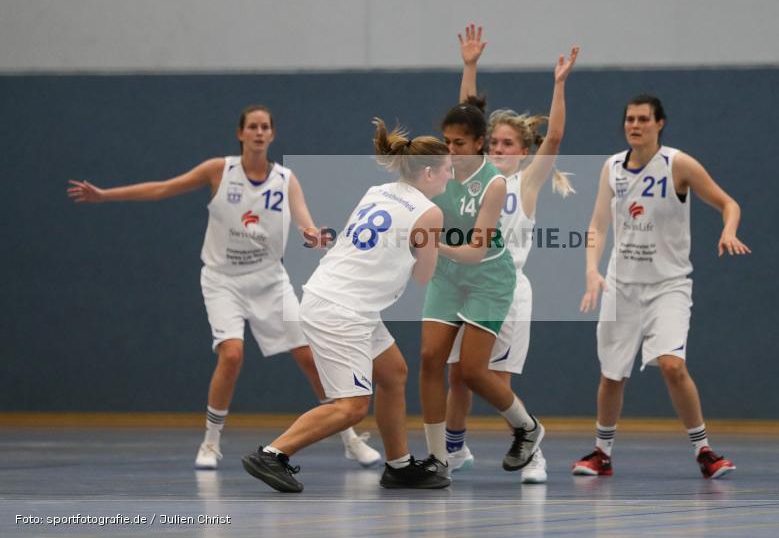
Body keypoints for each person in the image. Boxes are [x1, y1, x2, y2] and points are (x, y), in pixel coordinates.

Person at [67, 105, 381, 470]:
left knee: (310, 358)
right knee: (231, 355)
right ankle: (211, 442)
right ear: (241, 133)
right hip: (223, 280)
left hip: (269, 279)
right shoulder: (219, 170)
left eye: (265, 127)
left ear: (272, 134)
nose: (259, 132)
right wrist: (107, 195)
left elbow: (305, 226)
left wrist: (314, 237)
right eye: (253, 126)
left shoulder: (286, 179)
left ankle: (349, 439)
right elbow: (164, 188)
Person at [241, 119, 452, 492]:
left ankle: (399, 465)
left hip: (343, 299)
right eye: (449, 170)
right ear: (430, 172)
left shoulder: (379, 190)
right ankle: (273, 454)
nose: (450, 178)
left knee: (393, 373)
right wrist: (441, 249)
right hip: (342, 309)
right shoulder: (430, 213)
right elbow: (424, 276)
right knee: (352, 406)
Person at [576, 94, 749, 479]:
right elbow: (597, 226)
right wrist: (592, 269)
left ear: (659, 124)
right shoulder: (611, 168)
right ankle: (601, 453)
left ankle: (704, 450)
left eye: (642, 119)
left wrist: (729, 229)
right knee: (611, 374)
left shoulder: (678, 164)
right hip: (621, 286)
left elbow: (728, 203)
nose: (634, 125)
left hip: (668, 286)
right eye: (629, 119)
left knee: (672, 366)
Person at [443, 25, 579, 484]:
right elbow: (465, 119)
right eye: (494, 142)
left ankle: (531, 448)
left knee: (495, 379)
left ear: (523, 153)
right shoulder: (473, 175)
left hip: (506, 289)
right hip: (464, 283)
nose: (499, 148)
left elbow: (555, 138)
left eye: (508, 145)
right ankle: (454, 450)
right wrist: (470, 66)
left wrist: (558, 86)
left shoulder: (526, 183)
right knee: (459, 375)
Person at [419, 95, 545, 483]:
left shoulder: (495, 183)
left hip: (488, 277)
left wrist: (429, 243)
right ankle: (438, 457)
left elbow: (476, 249)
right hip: (448, 275)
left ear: (477, 143)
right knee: (429, 359)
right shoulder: (438, 173)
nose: (450, 150)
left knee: (474, 372)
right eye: (447, 142)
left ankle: (527, 428)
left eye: (459, 143)